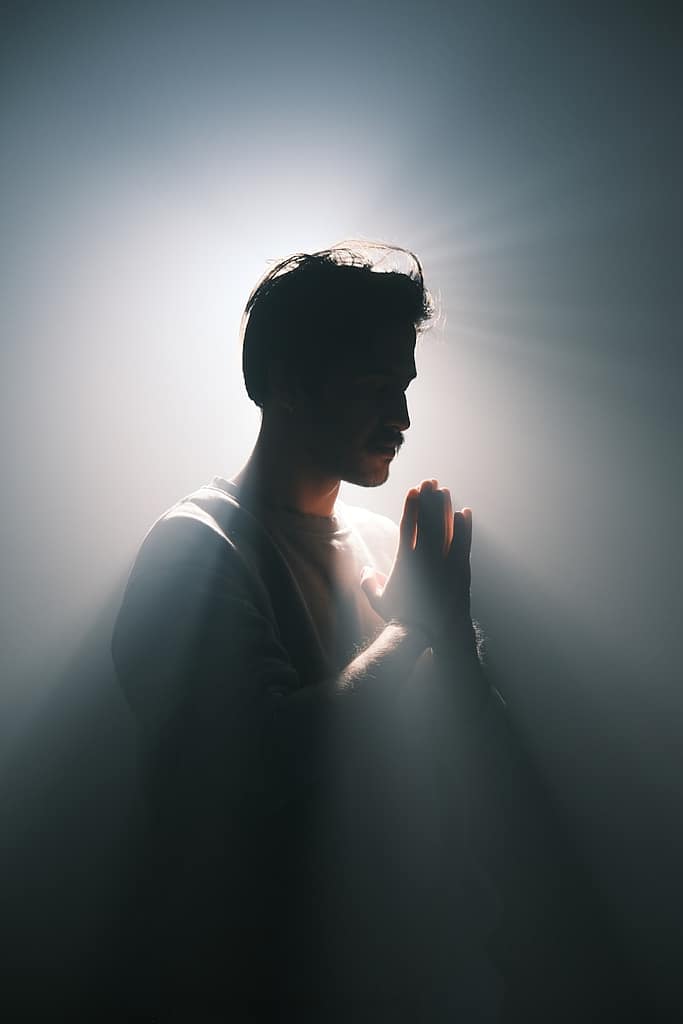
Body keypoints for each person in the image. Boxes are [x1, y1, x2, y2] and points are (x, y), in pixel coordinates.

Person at [110, 242, 628, 1022]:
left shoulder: (385, 544)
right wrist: (414, 625)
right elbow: (255, 778)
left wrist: (449, 634)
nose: (403, 417)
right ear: (288, 384)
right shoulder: (196, 547)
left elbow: (476, 769)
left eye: (406, 386)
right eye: (376, 385)